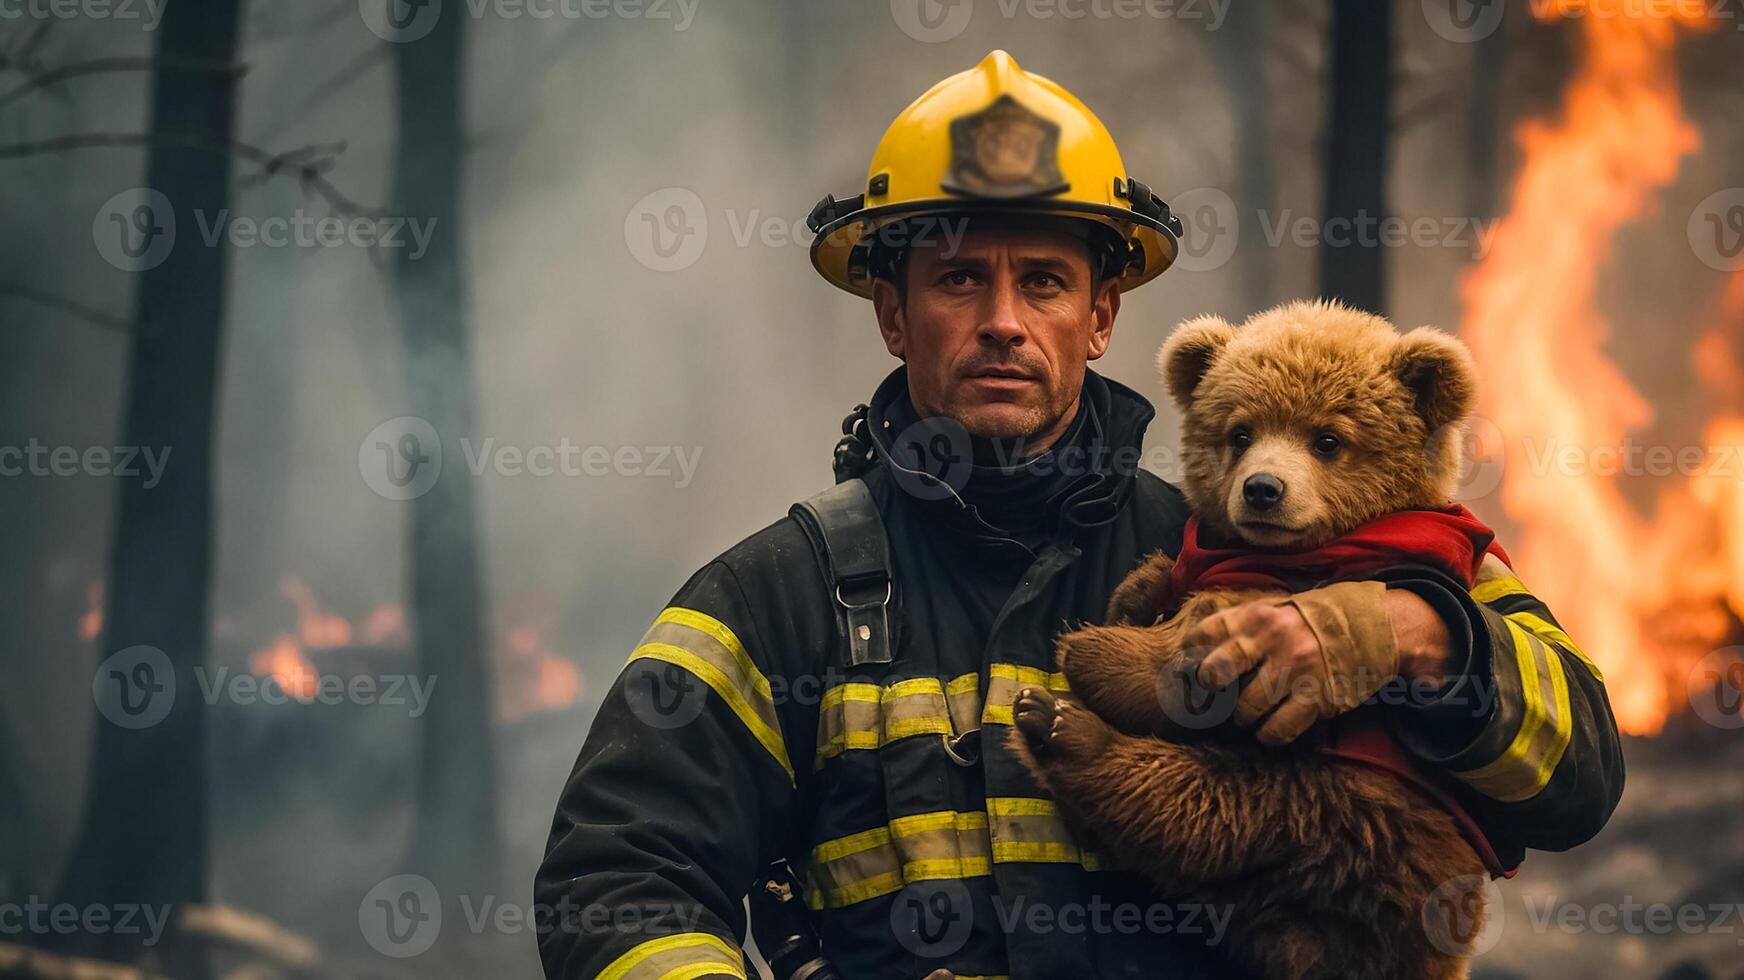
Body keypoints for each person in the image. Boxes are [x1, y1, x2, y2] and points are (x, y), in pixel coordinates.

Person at [536, 50, 1624, 980]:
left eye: (1045, 282)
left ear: (1101, 316)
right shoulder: (780, 596)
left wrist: (1411, 631)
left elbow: (1580, 773)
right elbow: (614, 880)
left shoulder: (1258, 550)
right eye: (960, 278)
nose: (1004, 321)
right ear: (892, 314)